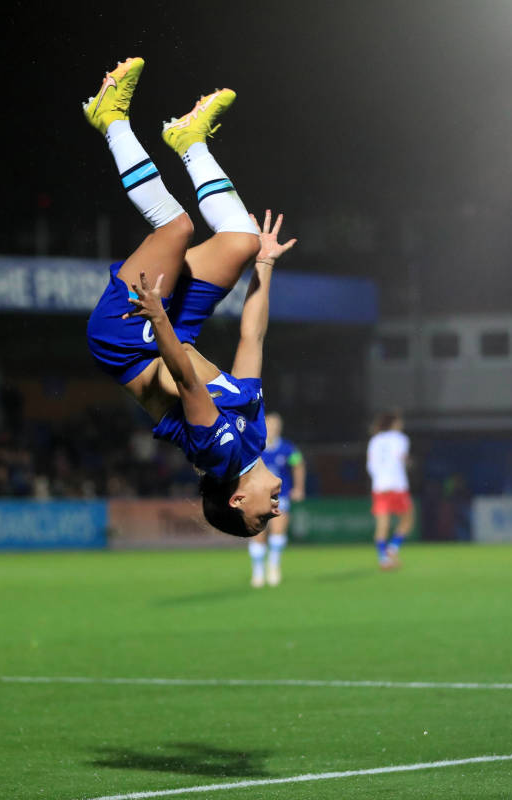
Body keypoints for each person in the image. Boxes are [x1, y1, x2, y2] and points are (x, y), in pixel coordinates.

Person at [82, 57, 295, 537]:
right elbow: (252, 339)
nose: (275, 512)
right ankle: (188, 140)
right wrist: (263, 266)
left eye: (261, 515)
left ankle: (109, 118)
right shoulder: (254, 438)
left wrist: (158, 319)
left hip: (129, 339)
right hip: (172, 331)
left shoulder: (217, 455)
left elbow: (186, 381)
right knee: (241, 239)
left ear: (238, 499)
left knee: (176, 227)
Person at [249, 412, 305, 586]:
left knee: (278, 532)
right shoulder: (254, 446)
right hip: (256, 496)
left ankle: (273, 566)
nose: (273, 429)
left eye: (276, 426)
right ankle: (258, 571)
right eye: (270, 425)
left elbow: (298, 465)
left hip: (280, 496)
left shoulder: (288, 448)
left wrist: (299, 488)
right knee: (257, 533)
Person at [367, 412, 413, 569]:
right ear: (394, 423)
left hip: (379, 486)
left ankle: (383, 558)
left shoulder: (375, 440)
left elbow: (370, 465)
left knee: (382, 525)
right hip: (397, 484)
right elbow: (402, 459)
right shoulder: (401, 438)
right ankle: (393, 549)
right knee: (407, 520)